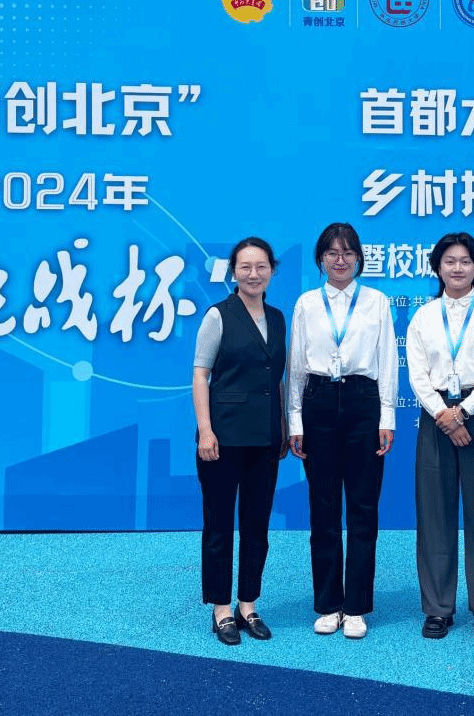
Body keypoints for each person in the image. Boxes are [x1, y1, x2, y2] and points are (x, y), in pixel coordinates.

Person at [287, 223, 398, 640]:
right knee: (323, 507)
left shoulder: (376, 301)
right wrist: (295, 419)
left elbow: (388, 359)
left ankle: (356, 606)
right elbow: (296, 365)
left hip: (362, 400)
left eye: (348, 252)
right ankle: (328, 603)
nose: (340, 260)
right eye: (332, 253)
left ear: (359, 259)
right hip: (318, 401)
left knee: (363, 507)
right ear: (321, 259)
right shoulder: (306, 303)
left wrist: (387, 417)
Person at [405, 232, 474, 643]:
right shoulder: (423, 316)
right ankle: (438, 608)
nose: (457, 268)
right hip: (435, 418)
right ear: (437, 267)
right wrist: (444, 416)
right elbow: (417, 375)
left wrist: (462, 413)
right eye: (449, 261)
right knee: (434, 514)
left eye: (465, 261)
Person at [192, 237, 288, 646]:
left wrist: (283, 426)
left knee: (257, 525)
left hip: (265, 438)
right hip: (223, 436)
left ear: (272, 271)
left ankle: (248, 604)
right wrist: (206, 429)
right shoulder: (218, 315)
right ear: (233, 271)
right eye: (245, 267)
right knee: (219, 525)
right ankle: (221, 609)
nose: (253, 274)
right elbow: (201, 374)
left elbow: (277, 379)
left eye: (261, 266)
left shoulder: (278, 318)